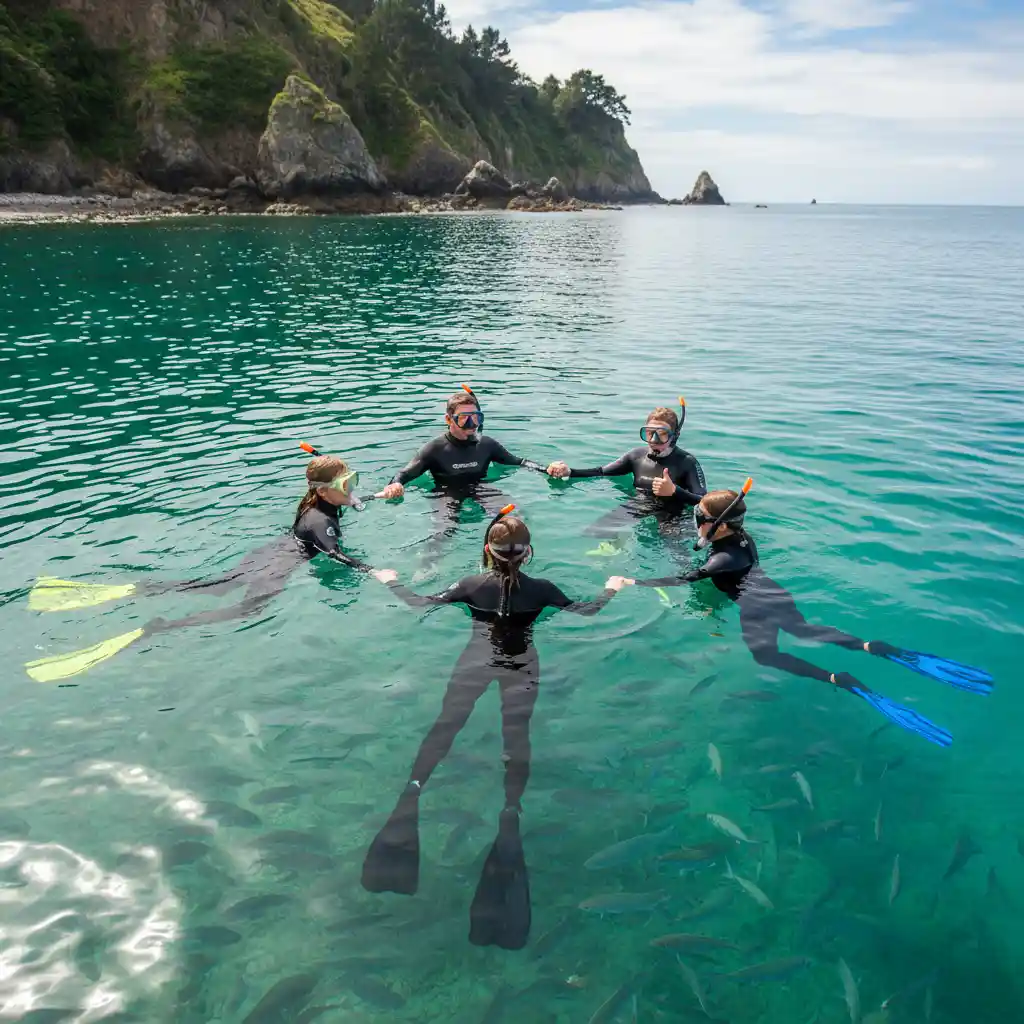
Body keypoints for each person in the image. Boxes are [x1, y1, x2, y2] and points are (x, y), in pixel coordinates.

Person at [361, 506, 632, 950]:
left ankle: (412, 790)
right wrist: (611, 588)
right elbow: (587, 611)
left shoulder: (471, 586)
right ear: (527, 554)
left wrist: (389, 579)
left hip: (473, 662)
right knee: (516, 738)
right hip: (521, 666)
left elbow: (419, 604)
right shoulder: (542, 589)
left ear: (487, 550)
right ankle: (510, 812)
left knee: (444, 728)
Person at [626, 484, 992, 747]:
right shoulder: (740, 538)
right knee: (804, 630)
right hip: (774, 593)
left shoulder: (722, 557)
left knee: (766, 655)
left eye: (700, 517)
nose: (696, 521)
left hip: (755, 605)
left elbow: (683, 578)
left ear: (718, 524)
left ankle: (839, 678)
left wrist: (631, 580)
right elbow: (713, 535)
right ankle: (871, 647)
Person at [25, 455, 375, 682]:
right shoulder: (320, 519)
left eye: (354, 481)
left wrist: (377, 496)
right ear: (326, 491)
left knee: (217, 585)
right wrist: (373, 571)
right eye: (348, 484)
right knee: (246, 611)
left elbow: (335, 515)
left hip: (268, 553)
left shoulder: (317, 506)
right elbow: (333, 553)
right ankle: (159, 627)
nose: (353, 489)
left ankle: (143, 588)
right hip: (277, 568)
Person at [375, 385, 561, 553]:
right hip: (446, 493)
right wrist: (394, 485)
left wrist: (548, 469)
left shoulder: (486, 444)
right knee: (444, 532)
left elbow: (519, 462)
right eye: (464, 418)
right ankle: (427, 566)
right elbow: (405, 474)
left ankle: (509, 559)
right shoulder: (435, 448)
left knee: (516, 518)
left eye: (476, 417)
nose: (472, 424)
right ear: (449, 419)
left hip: (480, 487)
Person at [546, 398, 706, 555]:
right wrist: (570, 472)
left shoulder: (687, 462)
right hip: (639, 504)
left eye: (662, 434)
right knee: (596, 531)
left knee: (674, 554)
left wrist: (674, 491)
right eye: (649, 433)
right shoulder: (636, 456)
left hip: (673, 513)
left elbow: (704, 501)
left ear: (674, 436)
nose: (654, 440)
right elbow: (601, 471)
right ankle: (617, 547)